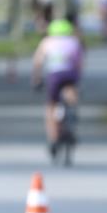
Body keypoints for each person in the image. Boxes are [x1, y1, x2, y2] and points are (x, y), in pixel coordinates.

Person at [31, 17, 84, 159]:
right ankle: (73, 114)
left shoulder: (47, 42)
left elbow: (38, 62)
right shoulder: (74, 42)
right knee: (71, 93)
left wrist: (36, 79)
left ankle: (53, 139)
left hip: (54, 76)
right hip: (71, 75)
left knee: (51, 106)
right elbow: (79, 63)